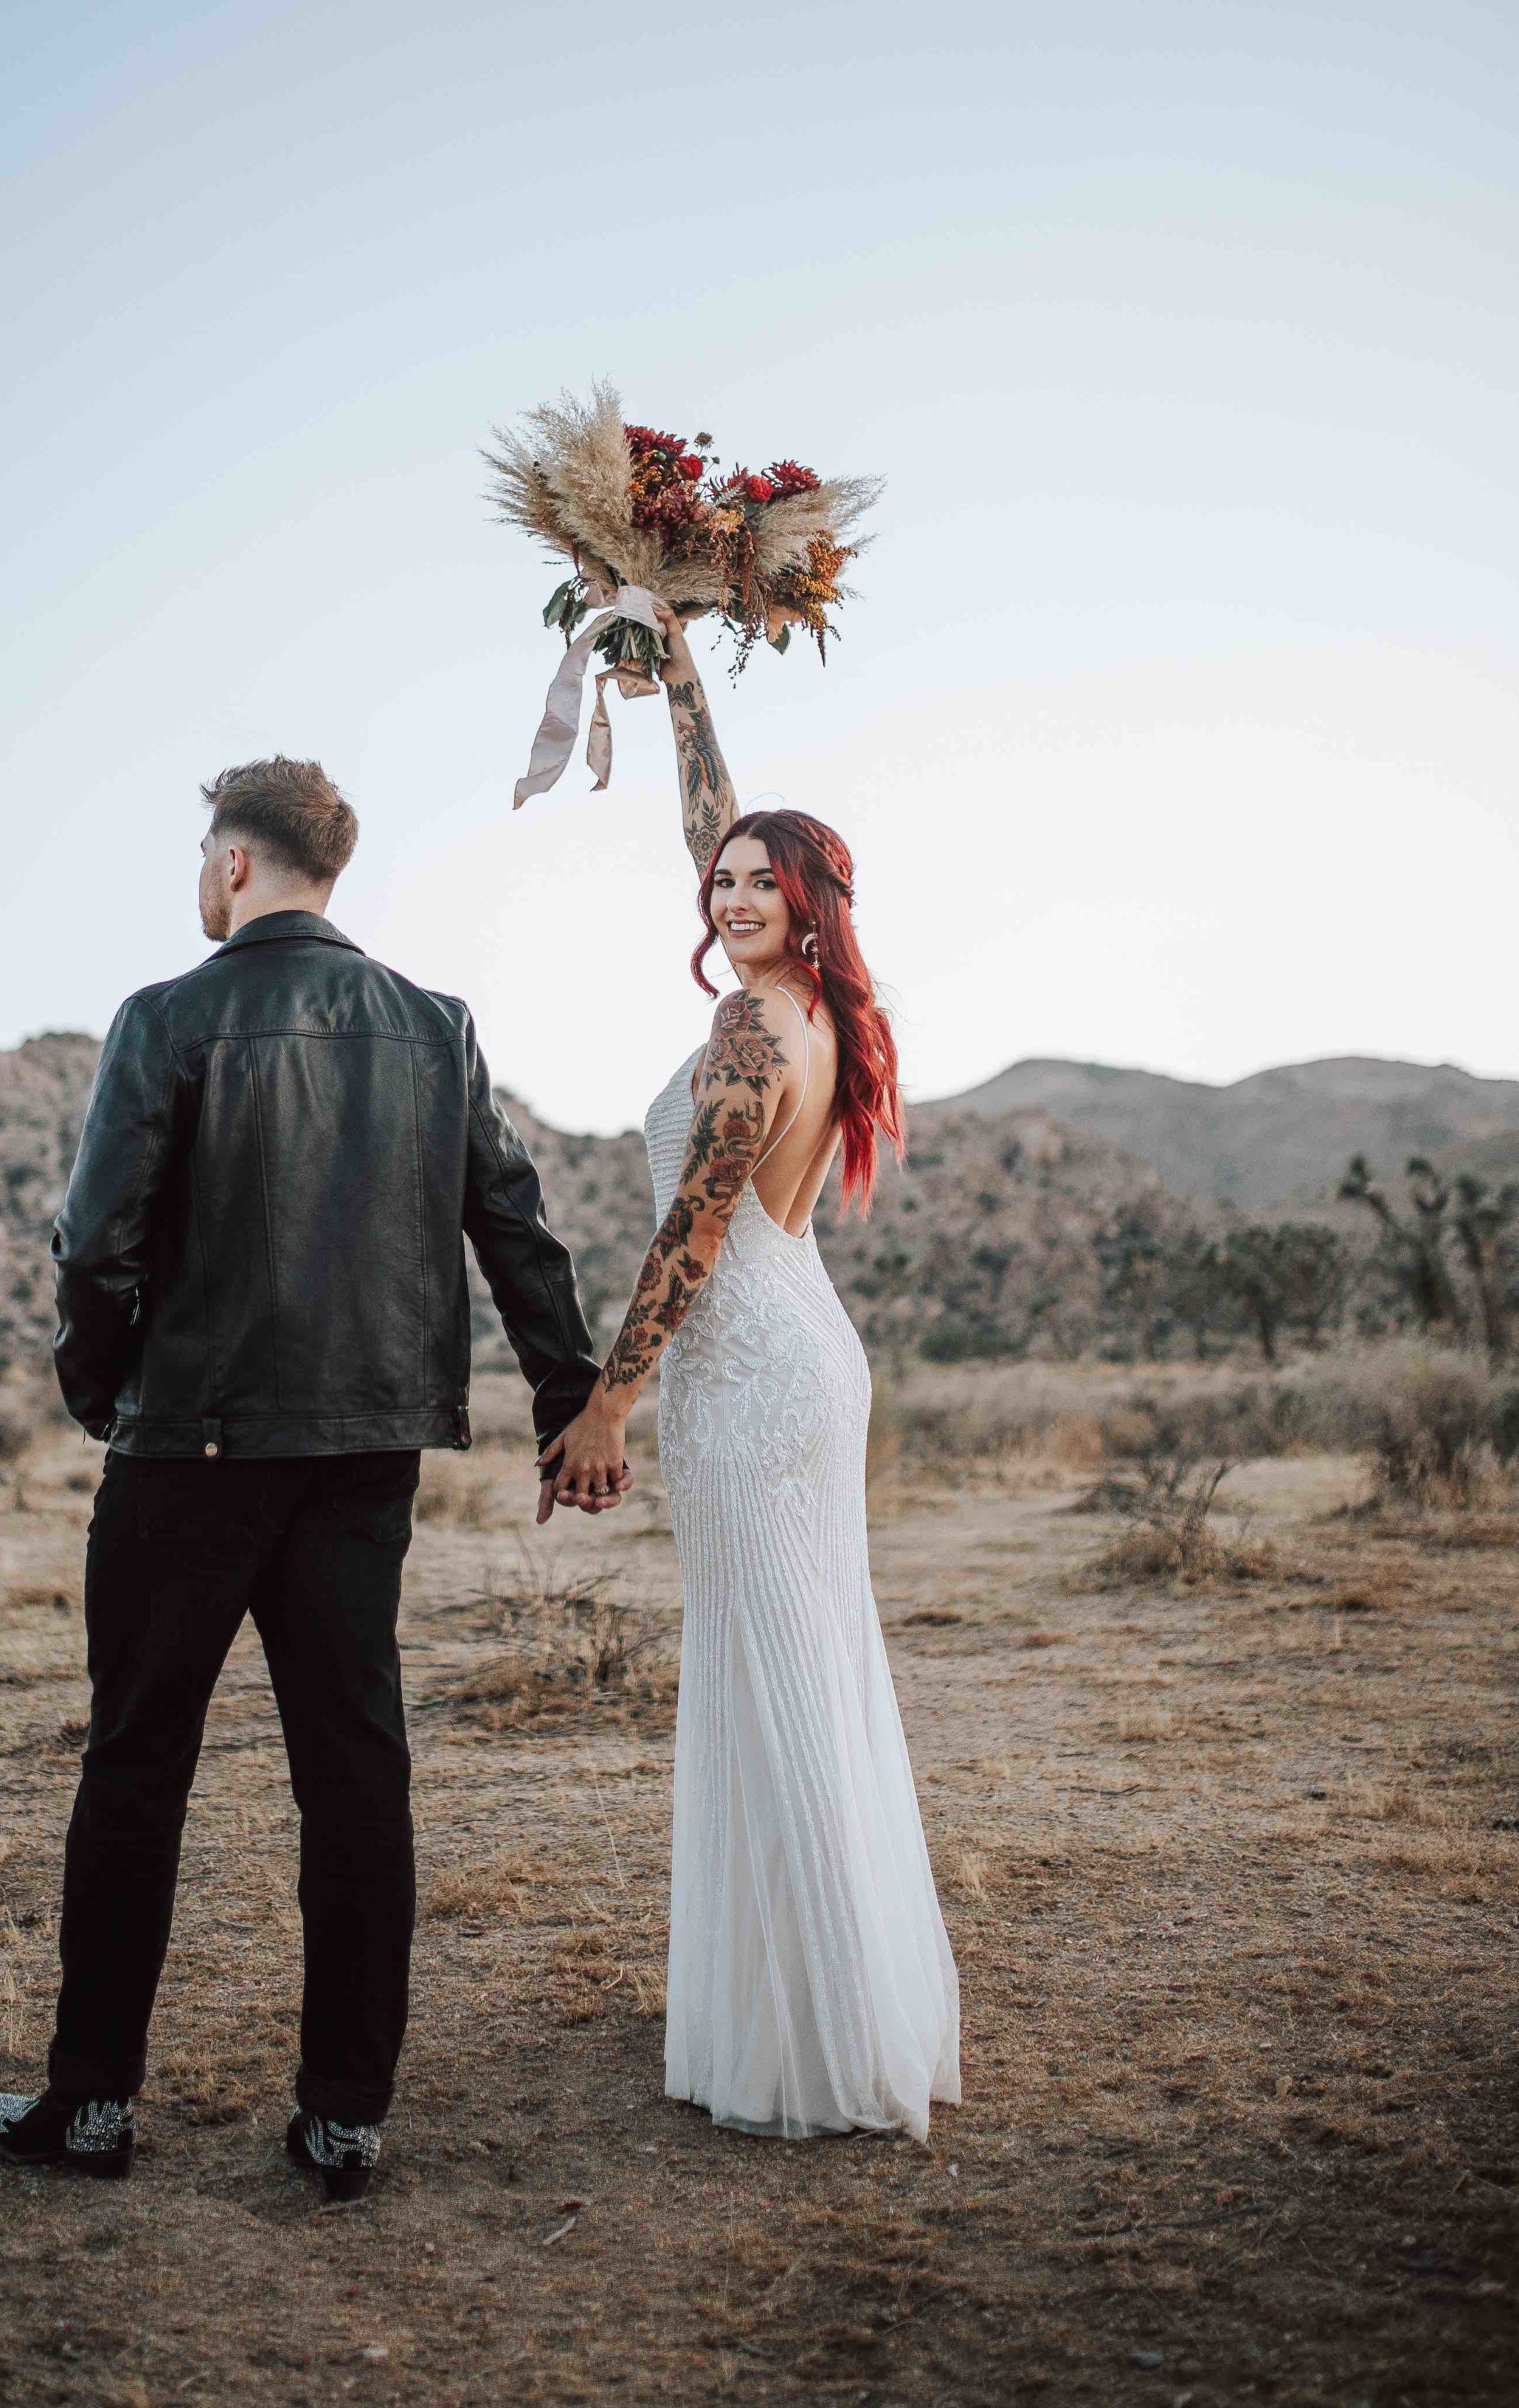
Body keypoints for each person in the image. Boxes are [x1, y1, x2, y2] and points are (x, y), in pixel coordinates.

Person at [0, 756, 599, 2200]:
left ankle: (88, 2105)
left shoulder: (169, 1017)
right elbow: (516, 1228)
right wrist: (566, 1400)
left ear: (242, 866)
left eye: (205, 850)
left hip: (185, 1453)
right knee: (354, 1769)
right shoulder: (433, 1027)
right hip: (362, 1457)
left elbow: (96, 1243)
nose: (200, 875)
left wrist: (102, 1388)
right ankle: (344, 2113)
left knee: (136, 1763)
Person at [542, 607, 961, 2140]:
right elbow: (722, 818)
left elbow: (690, 1229)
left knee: (778, 1675)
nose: (725, 891)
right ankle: (813, 1996)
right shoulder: (826, 1012)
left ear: (803, 902)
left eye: (753, 881)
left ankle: (822, 2033)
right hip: (803, 1348)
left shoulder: (744, 1028)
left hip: (748, 1366)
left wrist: (607, 1397)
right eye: (716, 880)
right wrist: (676, 675)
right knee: (802, 1663)